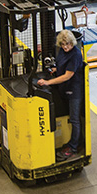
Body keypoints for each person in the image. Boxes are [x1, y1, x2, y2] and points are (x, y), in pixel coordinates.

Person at [37, 30, 84, 160]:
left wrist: (48, 82)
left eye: (68, 44)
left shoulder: (75, 54)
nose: (65, 47)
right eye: (63, 44)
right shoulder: (62, 51)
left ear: (72, 43)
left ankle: (74, 147)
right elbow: (63, 65)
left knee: (74, 119)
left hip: (74, 90)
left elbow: (68, 75)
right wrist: (56, 69)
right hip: (65, 89)